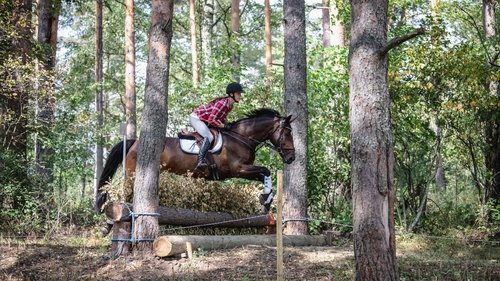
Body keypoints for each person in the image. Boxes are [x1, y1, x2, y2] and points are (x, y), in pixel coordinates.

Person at [189, 82, 244, 169]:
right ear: (231, 94)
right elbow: (211, 120)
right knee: (209, 137)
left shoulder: (230, 105)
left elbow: (223, 117)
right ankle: (200, 161)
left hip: (205, 121)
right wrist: (223, 126)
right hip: (196, 118)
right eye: (238, 93)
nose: (240, 95)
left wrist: (227, 125)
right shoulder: (222, 103)